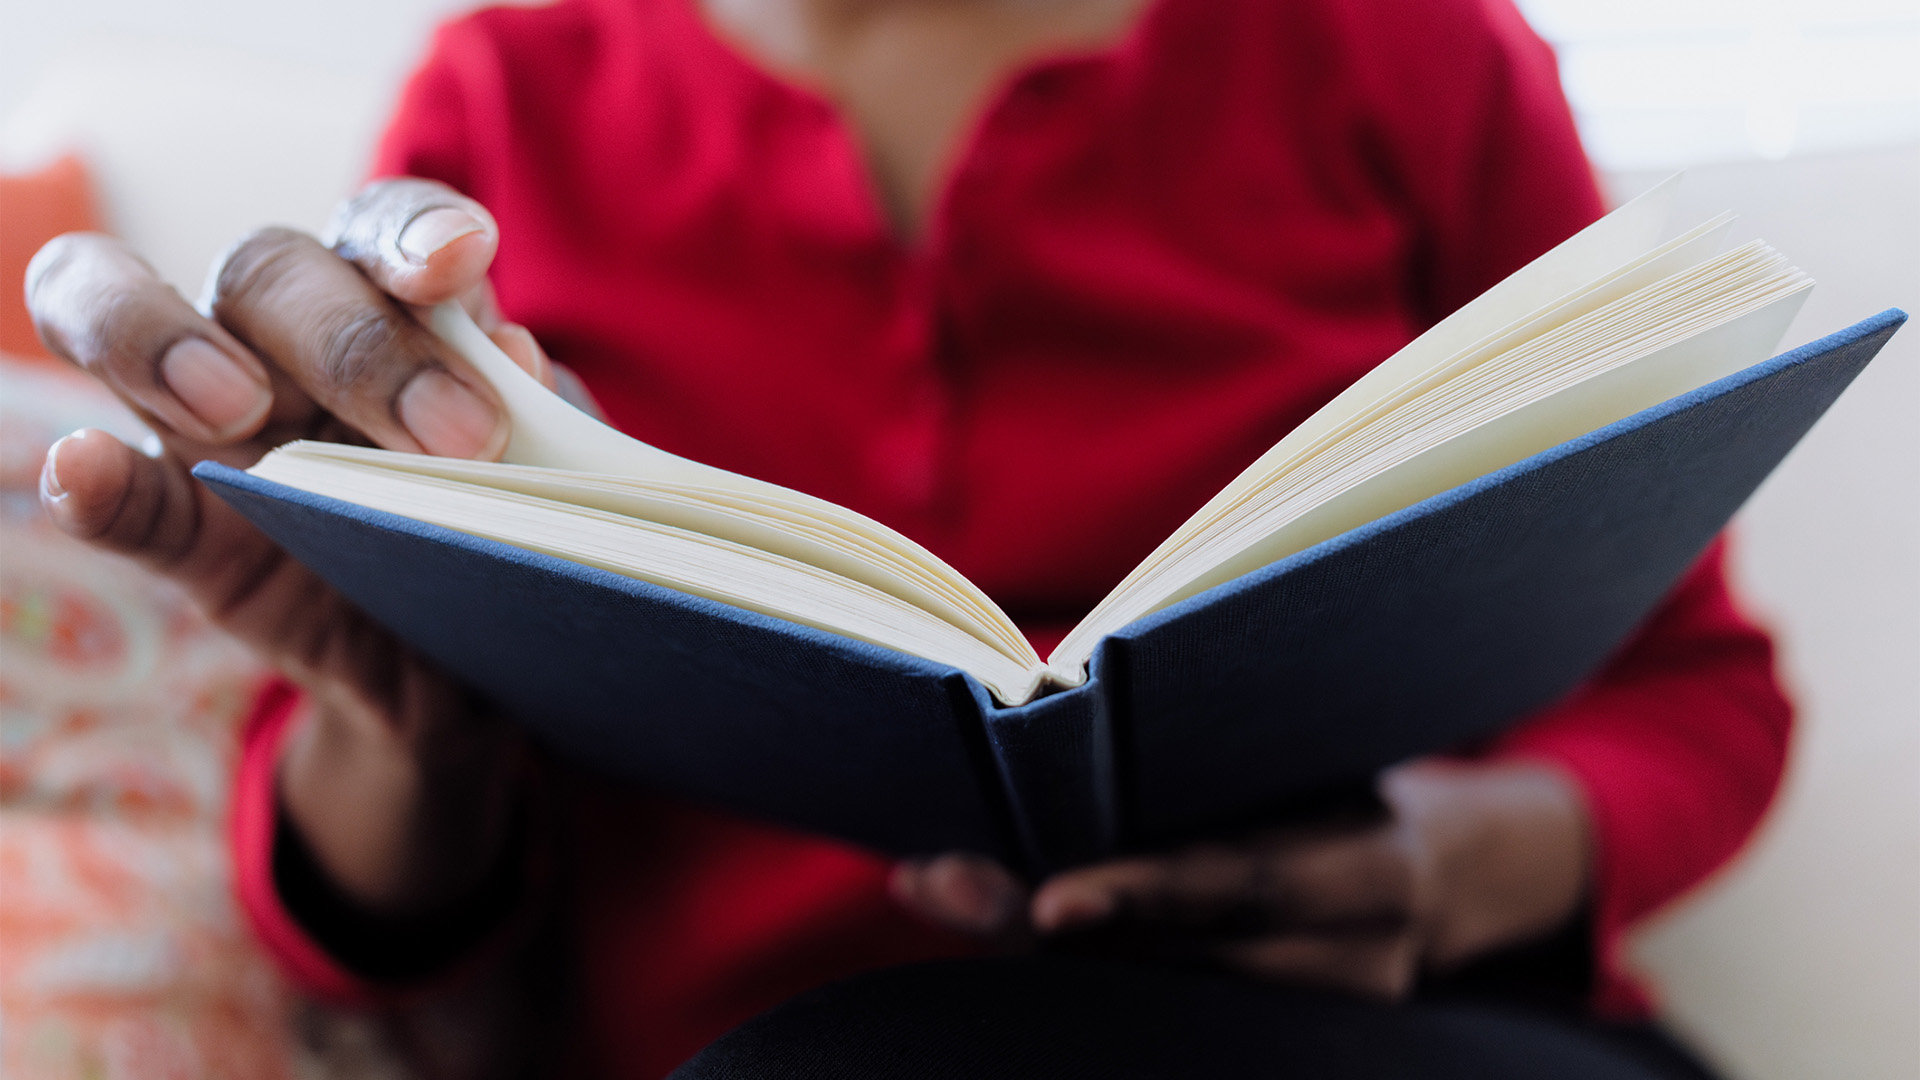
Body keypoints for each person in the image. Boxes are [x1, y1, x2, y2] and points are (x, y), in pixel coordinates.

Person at [25, 0, 1791, 1075]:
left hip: (1401, 1034)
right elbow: (357, 922)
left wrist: (1447, 866)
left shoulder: (1398, 53)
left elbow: (1701, 694)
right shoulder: (502, 120)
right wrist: (410, 716)